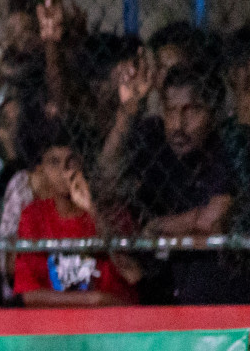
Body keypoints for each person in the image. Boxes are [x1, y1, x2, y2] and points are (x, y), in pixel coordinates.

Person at [100, 58, 242, 304]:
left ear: (213, 112)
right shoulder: (154, 137)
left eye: (192, 110)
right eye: (171, 111)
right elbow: (105, 175)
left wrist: (157, 227)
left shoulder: (227, 147)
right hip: (158, 284)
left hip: (215, 290)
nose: (178, 125)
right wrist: (128, 111)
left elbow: (214, 220)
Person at [12, 124, 137, 308]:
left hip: (110, 322)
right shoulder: (33, 215)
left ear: (83, 164)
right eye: (54, 162)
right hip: (55, 324)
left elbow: (132, 275)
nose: (64, 170)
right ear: (42, 171)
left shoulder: (110, 211)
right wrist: (95, 300)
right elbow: (28, 294)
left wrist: (92, 210)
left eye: (71, 161)